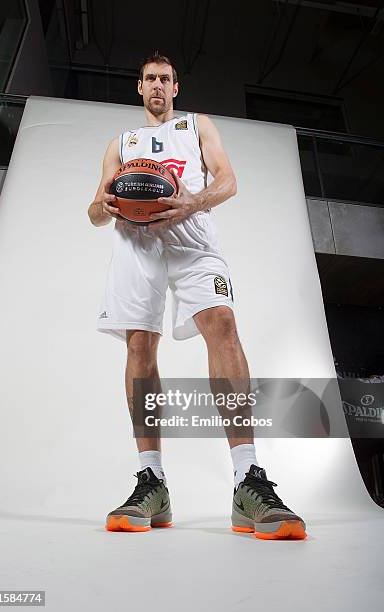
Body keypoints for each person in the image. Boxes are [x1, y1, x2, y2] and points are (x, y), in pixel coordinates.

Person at [87, 52, 306, 540]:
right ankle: (153, 481)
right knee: (140, 345)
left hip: (192, 236)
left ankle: (248, 479)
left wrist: (192, 200)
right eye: (149, 79)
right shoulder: (120, 144)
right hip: (136, 243)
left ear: (176, 87)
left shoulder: (197, 126)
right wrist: (102, 206)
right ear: (139, 88)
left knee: (223, 327)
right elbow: (94, 211)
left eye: (165, 78)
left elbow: (228, 180)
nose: (158, 85)